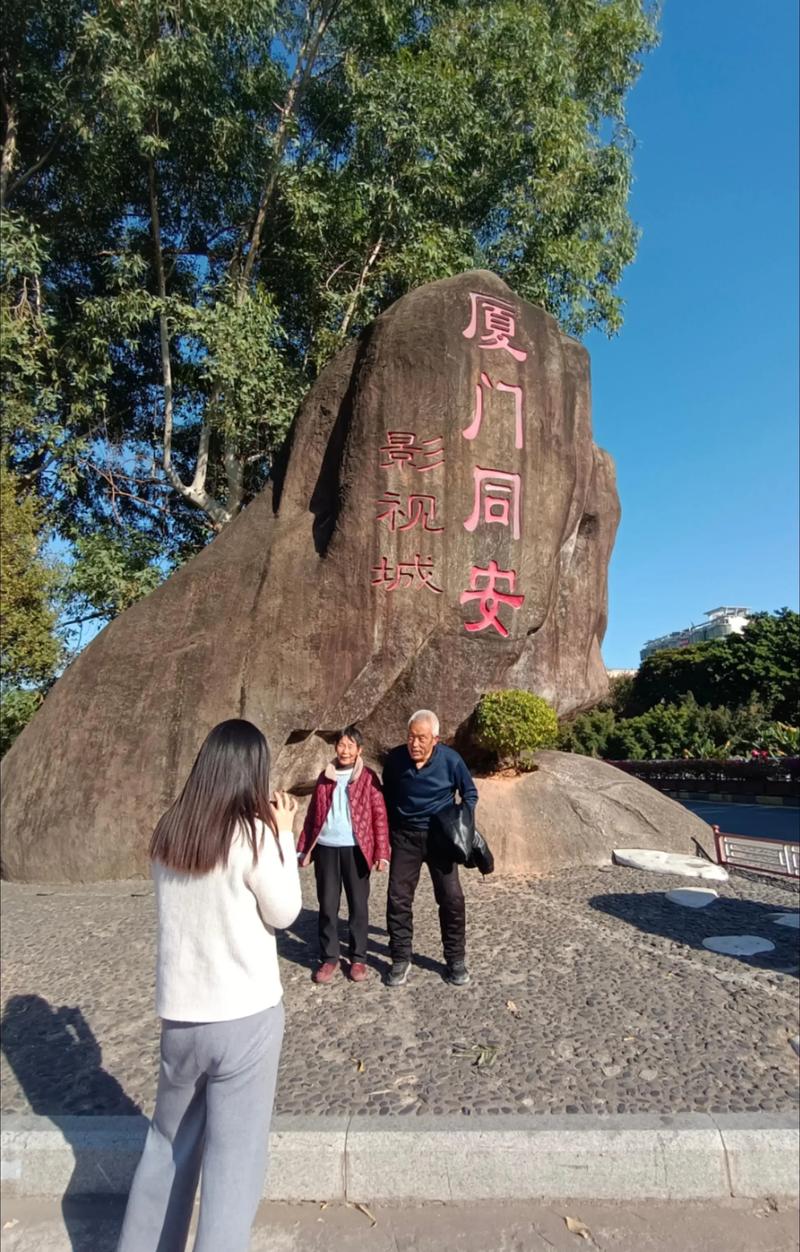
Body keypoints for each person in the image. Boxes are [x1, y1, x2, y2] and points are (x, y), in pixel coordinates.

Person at [117, 719, 301, 1252]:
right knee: (234, 1160)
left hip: (181, 1017)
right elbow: (286, 912)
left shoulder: (169, 833)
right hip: (245, 1016)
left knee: (166, 1144)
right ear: (253, 770)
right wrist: (284, 833)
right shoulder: (253, 835)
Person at [382, 709, 478, 988]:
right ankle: (400, 958)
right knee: (397, 898)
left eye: (421, 738)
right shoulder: (396, 760)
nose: (414, 743)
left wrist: (463, 822)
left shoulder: (451, 760)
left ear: (435, 738)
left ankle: (455, 960)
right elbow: (387, 794)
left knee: (452, 899)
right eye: (411, 737)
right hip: (405, 838)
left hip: (440, 839)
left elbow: (469, 792)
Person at [296, 725, 390, 983]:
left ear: (359, 750)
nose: (345, 750)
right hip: (326, 848)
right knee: (327, 904)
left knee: (358, 905)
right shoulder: (325, 776)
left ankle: (358, 957)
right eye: (341, 745)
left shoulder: (369, 778)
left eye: (350, 745)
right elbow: (312, 815)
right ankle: (329, 957)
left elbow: (379, 816)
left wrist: (382, 852)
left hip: (356, 849)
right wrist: (303, 849)